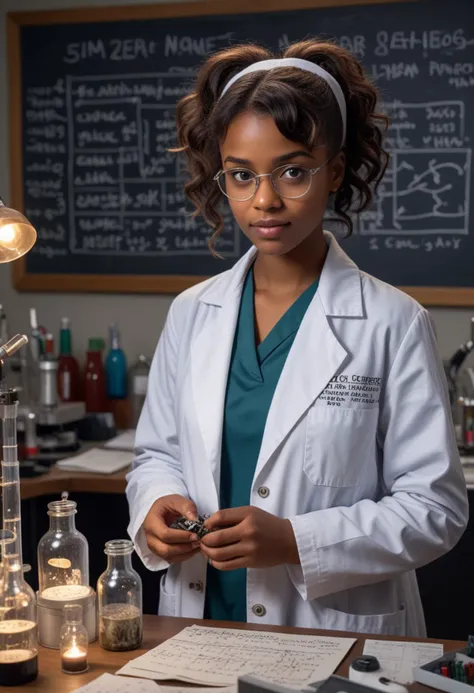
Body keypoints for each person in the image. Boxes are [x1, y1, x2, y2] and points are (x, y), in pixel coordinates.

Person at [126, 39, 468, 636]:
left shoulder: (393, 321)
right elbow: (157, 455)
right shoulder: (192, 312)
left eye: (292, 170)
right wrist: (154, 505)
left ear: (334, 170)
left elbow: (435, 509)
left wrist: (295, 541)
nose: (265, 200)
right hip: (198, 617)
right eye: (240, 175)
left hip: (334, 630)